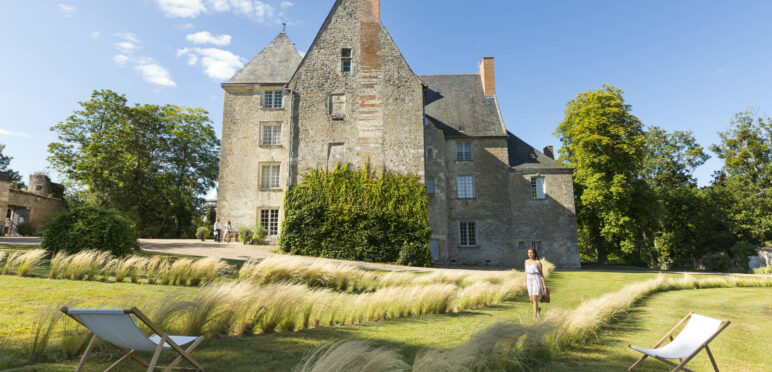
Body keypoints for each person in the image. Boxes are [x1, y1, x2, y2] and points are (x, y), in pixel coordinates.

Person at [523, 248, 548, 319]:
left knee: (534, 298)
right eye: (528, 253)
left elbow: (541, 274)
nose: (529, 254)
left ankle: (534, 316)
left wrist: (544, 286)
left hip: (536, 279)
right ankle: (538, 309)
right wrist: (524, 282)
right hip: (529, 279)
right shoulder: (526, 261)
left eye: (531, 253)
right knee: (531, 299)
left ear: (534, 254)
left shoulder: (538, 262)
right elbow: (525, 272)